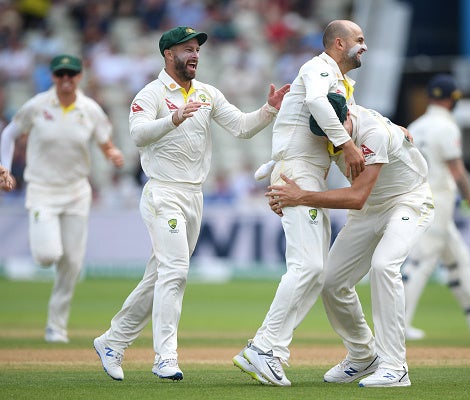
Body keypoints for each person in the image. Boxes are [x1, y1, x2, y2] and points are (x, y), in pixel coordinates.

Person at [93, 26, 290, 382]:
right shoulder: (151, 93)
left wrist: (268, 110)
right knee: (175, 273)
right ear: (169, 54)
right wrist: (174, 118)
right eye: (187, 48)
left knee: (159, 276)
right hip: (163, 193)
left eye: (197, 48)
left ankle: (112, 341)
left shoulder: (207, 93)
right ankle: (165, 358)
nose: (195, 53)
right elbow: (137, 134)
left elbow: (242, 127)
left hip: (194, 195)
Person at [232, 19, 367, 387]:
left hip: (308, 173)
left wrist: (355, 161)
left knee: (316, 271)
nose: (364, 46)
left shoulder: (342, 84)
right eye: (359, 40)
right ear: (338, 43)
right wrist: (349, 145)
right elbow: (314, 103)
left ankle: (270, 349)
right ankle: (264, 348)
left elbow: (330, 139)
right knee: (307, 266)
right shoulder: (317, 67)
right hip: (297, 172)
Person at [265, 103, 434, 388]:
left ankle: (395, 366)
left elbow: (355, 196)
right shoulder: (326, 131)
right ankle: (362, 355)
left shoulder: (373, 133)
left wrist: (300, 197)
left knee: (383, 265)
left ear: (346, 116)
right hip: (368, 210)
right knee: (331, 282)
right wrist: (283, 196)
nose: (332, 142)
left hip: (409, 201)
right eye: (325, 135)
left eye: (335, 132)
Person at [0, 54, 124, 343]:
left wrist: (112, 154)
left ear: (79, 77)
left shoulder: (89, 109)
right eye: (60, 75)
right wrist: (4, 166)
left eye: (71, 74)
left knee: (72, 262)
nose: (66, 80)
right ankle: (43, 238)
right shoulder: (38, 104)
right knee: (47, 256)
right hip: (42, 188)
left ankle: (56, 326)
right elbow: (9, 134)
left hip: (76, 191)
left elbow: (104, 140)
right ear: (53, 76)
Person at [401, 74, 470, 340]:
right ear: (452, 100)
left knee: (459, 261)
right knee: (420, 264)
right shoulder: (446, 127)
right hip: (438, 203)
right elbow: (457, 172)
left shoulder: (417, 124)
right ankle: (398, 326)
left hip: (420, 199)